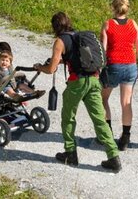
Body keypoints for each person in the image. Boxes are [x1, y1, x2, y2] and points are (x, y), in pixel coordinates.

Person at [34, 12, 121, 172]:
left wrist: (40, 67)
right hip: (94, 80)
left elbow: (51, 69)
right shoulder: (79, 36)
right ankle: (113, 157)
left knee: (68, 118)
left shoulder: (60, 41)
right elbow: (79, 58)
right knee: (99, 120)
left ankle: (70, 153)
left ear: (55, 27)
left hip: (77, 83)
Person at [99, 0, 138, 151]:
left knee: (103, 99)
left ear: (113, 7)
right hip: (131, 66)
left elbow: (103, 50)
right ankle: (125, 138)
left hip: (113, 66)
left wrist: (99, 68)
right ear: (127, 7)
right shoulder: (133, 24)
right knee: (126, 103)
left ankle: (107, 133)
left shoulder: (108, 24)